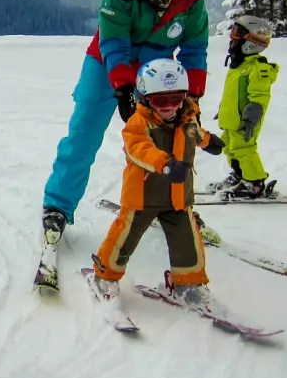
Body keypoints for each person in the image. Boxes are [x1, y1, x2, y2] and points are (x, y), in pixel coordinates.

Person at [42, 0, 209, 241]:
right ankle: (58, 205)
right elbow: (114, 41)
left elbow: (194, 48)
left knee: (166, 142)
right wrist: (122, 88)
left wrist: (192, 98)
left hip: (157, 71)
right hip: (105, 64)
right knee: (84, 136)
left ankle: (166, 205)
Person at [89, 59, 225, 310]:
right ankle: (104, 276)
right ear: (144, 96)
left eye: (177, 98)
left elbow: (195, 133)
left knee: (187, 241)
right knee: (124, 238)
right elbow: (139, 150)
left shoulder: (187, 118)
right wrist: (165, 164)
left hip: (177, 197)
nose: (170, 106)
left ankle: (188, 284)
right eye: (162, 101)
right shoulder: (138, 124)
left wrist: (209, 141)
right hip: (143, 196)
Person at [205, 16, 279, 198]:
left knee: (245, 149)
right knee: (230, 147)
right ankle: (240, 176)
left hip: (245, 121)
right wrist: (223, 110)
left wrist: (251, 118)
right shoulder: (239, 65)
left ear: (253, 40)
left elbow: (259, 96)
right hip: (232, 119)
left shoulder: (258, 68)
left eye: (238, 33)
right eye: (233, 32)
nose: (232, 37)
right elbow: (232, 93)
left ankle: (255, 183)